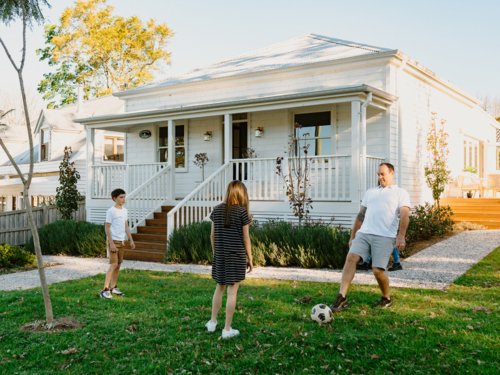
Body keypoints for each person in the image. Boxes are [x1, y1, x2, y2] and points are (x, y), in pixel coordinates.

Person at [331, 163, 410, 311]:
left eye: (383, 174)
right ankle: (342, 297)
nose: (380, 177)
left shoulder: (400, 192)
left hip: (385, 235)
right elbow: (361, 215)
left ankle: (386, 298)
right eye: (378, 175)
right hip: (364, 233)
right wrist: (353, 235)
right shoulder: (371, 192)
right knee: (351, 258)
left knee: (377, 270)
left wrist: (401, 236)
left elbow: (405, 214)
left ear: (392, 173)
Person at [205, 180, 253, 339]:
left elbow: (212, 235)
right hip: (236, 257)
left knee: (219, 288)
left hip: (220, 255)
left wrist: (215, 253)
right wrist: (250, 258)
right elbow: (246, 239)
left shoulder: (216, 210)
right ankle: (226, 330)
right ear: (241, 194)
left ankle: (212, 322)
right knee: (232, 293)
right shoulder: (242, 212)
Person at [100, 188, 135, 299]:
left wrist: (131, 240)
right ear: (114, 198)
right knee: (113, 264)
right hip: (113, 241)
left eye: (124, 197)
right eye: (121, 197)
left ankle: (113, 287)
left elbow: (126, 226)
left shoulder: (124, 211)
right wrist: (111, 243)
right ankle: (104, 290)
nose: (123, 199)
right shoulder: (111, 211)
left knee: (118, 265)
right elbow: (107, 228)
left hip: (121, 241)